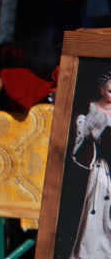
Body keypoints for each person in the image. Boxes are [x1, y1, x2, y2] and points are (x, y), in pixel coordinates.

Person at [68, 70, 111, 258]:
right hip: (100, 169)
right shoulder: (90, 112)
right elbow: (79, 148)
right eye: (110, 90)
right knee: (97, 215)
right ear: (102, 89)